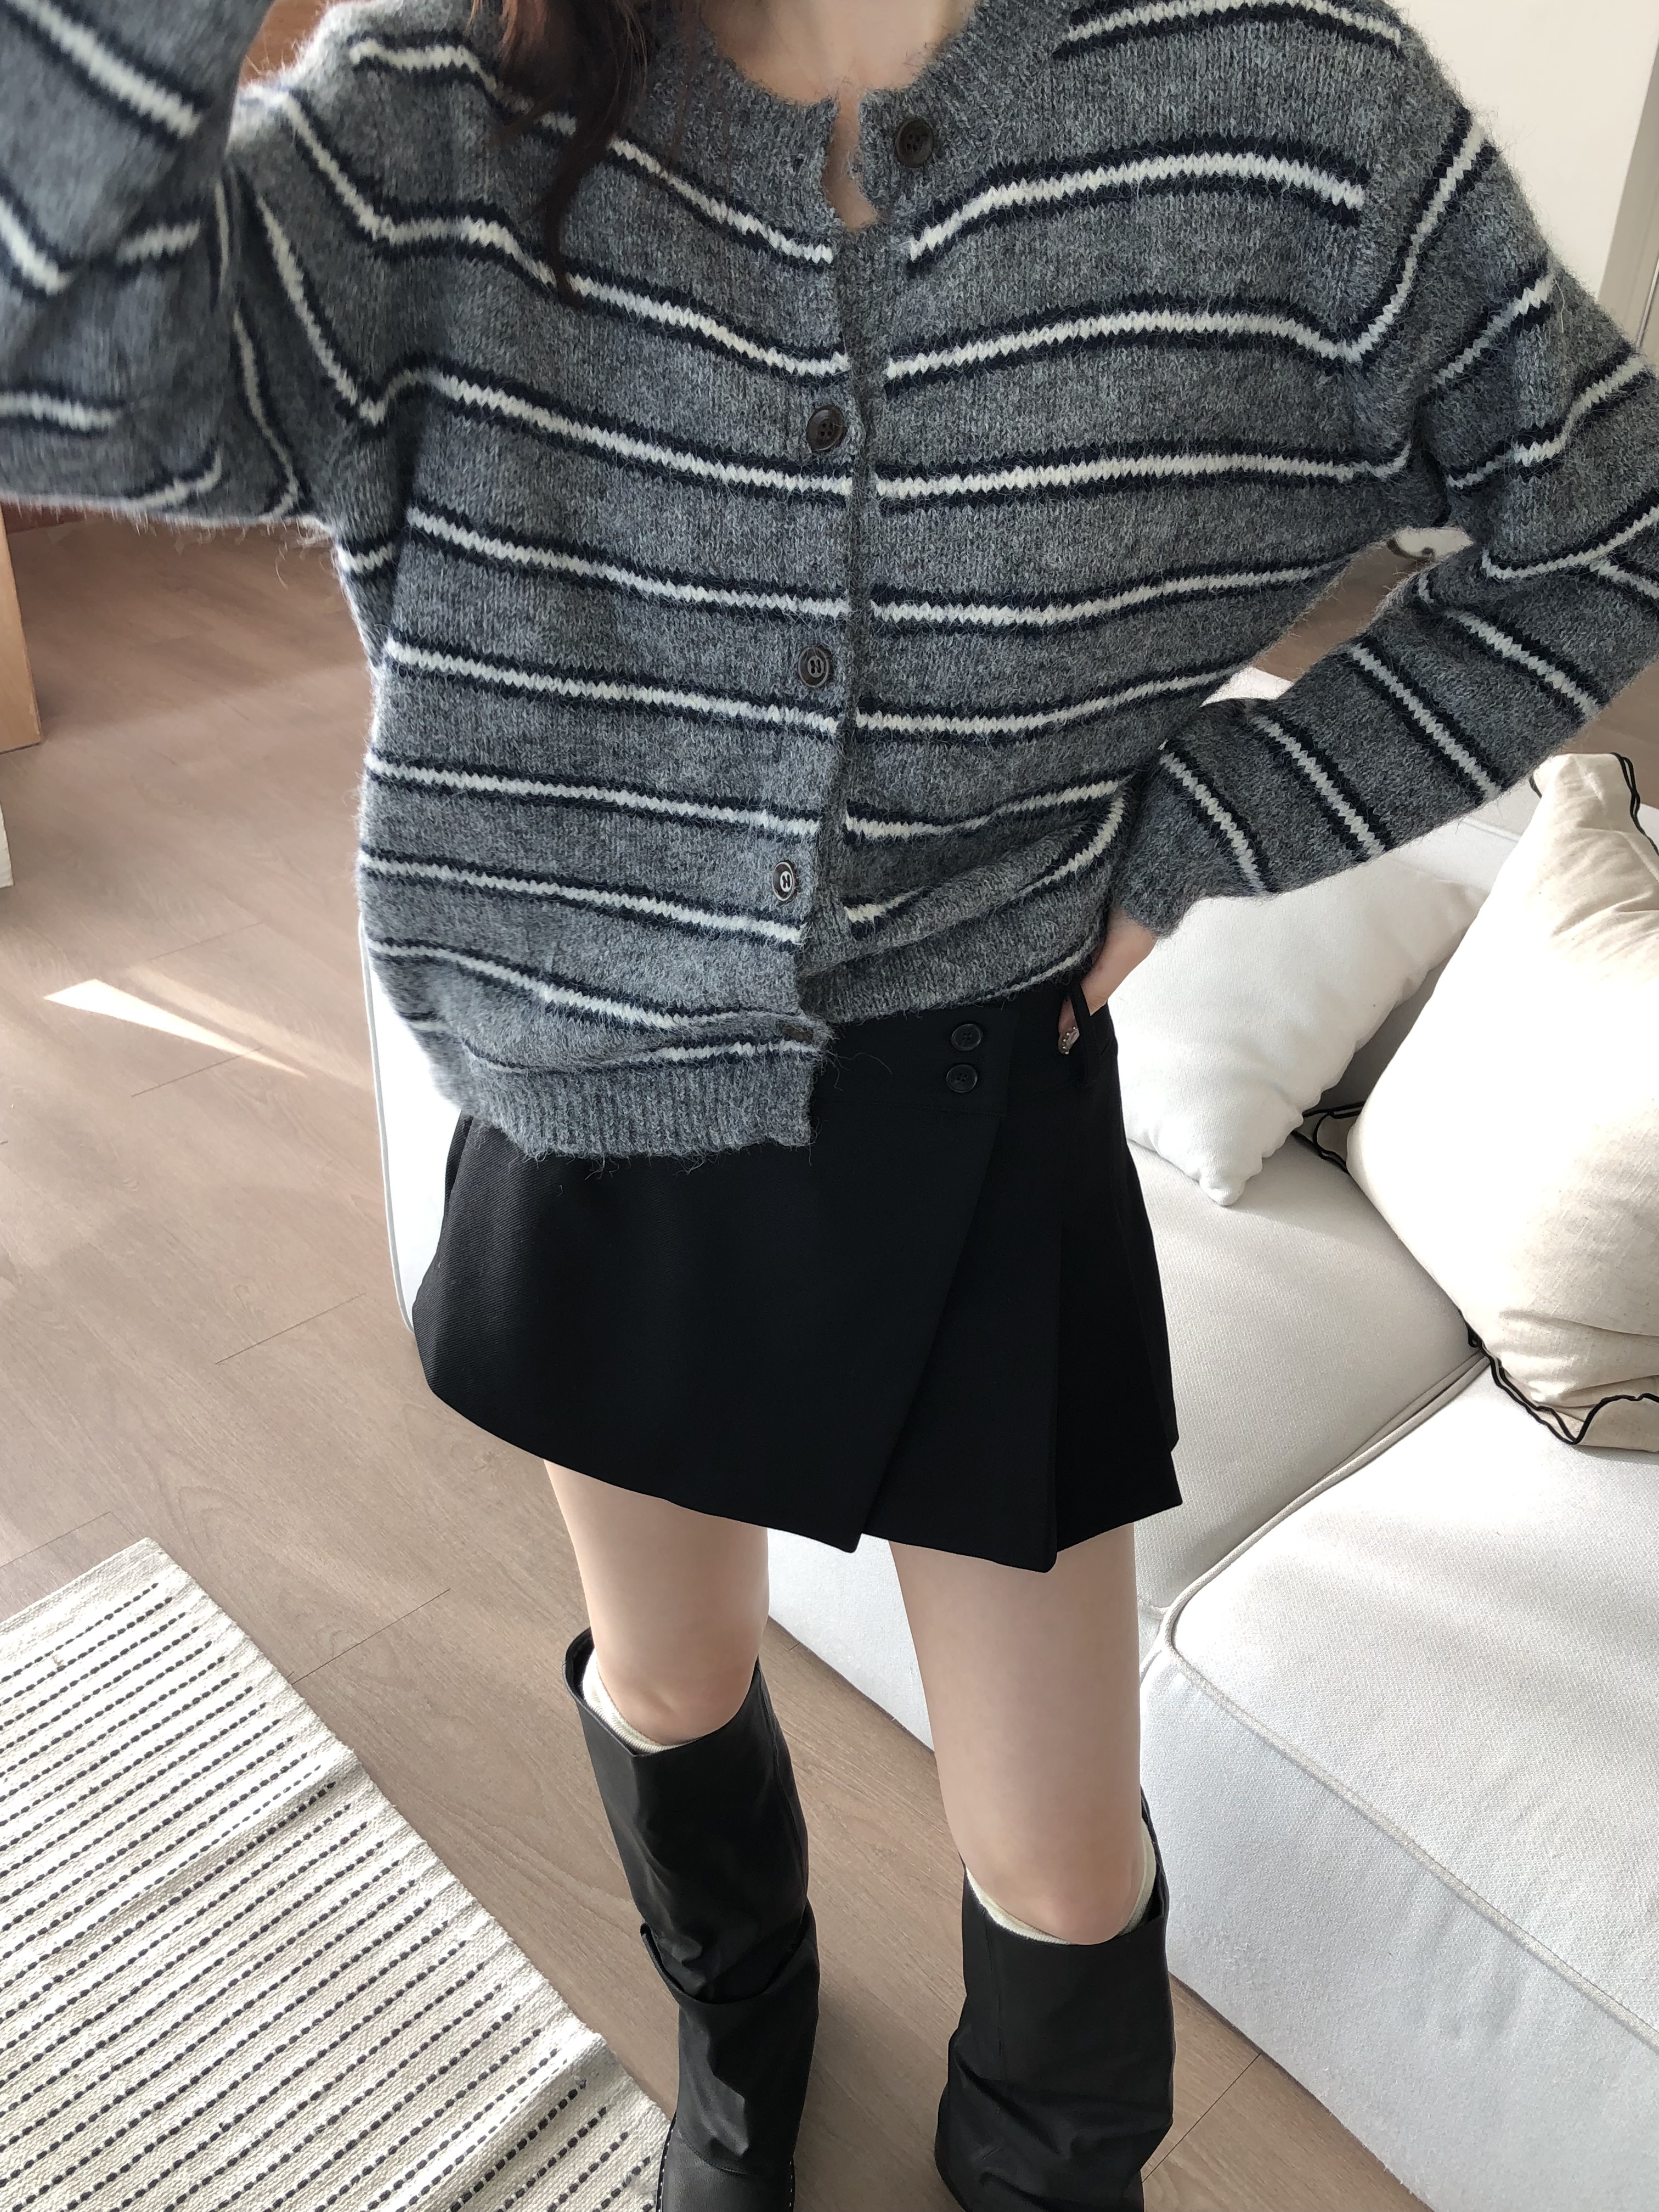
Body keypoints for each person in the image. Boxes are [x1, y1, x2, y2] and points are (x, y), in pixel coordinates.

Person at [4, 0, 1657, 2203]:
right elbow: (59, 366)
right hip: (597, 1091)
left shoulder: (1291, 116)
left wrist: (1213, 822)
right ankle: (742, 2038)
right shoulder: (449, 106)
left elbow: (1608, 521)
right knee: (673, 1676)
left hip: (983, 1105)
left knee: (1060, 1857)